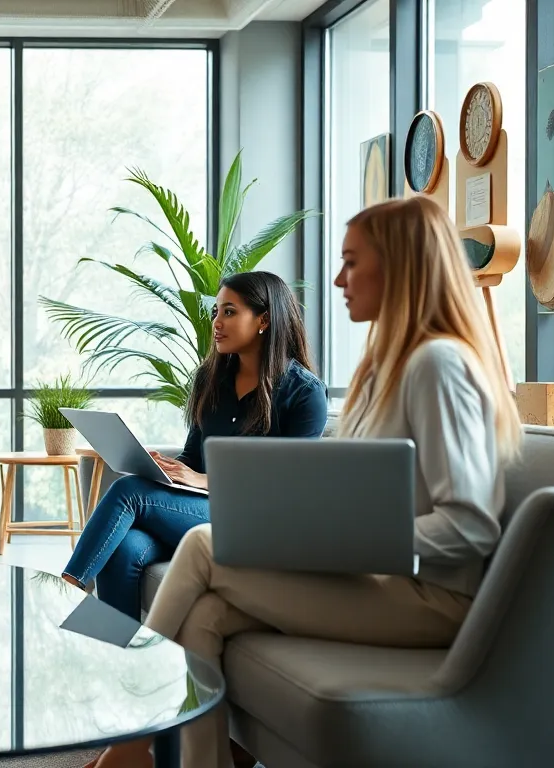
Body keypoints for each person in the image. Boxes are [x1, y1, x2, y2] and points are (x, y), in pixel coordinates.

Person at [87, 196, 522, 768]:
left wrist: (340, 543)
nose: (338, 279)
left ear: (400, 266)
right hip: (376, 576)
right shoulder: (385, 370)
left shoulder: (437, 365)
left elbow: (470, 528)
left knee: (200, 547)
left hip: (430, 598)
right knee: (203, 616)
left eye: (351, 262)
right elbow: (358, 494)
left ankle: (124, 752)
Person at [62, 271, 327, 619]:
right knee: (124, 547)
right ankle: (115, 656)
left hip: (257, 523)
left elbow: (287, 487)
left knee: (129, 491)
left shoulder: (304, 393)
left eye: (229, 312)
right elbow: (192, 455)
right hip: (201, 512)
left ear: (264, 319)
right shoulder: (211, 379)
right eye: (216, 312)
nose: (216, 322)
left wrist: (207, 481)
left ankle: (67, 590)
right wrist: (166, 469)